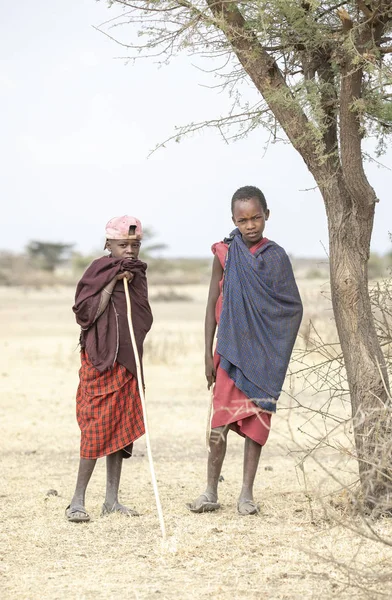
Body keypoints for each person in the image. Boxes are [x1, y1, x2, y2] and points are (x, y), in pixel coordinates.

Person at [187, 186, 303, 515]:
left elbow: (291, 307)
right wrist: (207, 355)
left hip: (263, 356)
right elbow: (212, 305)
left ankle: (246, 494)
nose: (250, 225)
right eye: (243, 220)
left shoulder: (276, 257)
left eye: (256, 217)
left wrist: (277, 351)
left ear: (267, 215)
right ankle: (210, 490)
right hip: (228, 352)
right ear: (233, 220)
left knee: (256, 425)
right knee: (218, 423)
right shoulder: (224, 253)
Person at [65, 216, 153, 523]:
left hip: (127, 361)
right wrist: (113, 281)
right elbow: (86, 314)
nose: (129, 251)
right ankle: (77, 500)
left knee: (120, 429)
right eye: (123, 245)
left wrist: (127, 278)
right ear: (108, 245)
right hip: (100, 361)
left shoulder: (138, 274)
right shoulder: (97, 271)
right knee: (95, 429)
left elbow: (142, 317)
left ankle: (111, 500)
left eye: (134, 245)